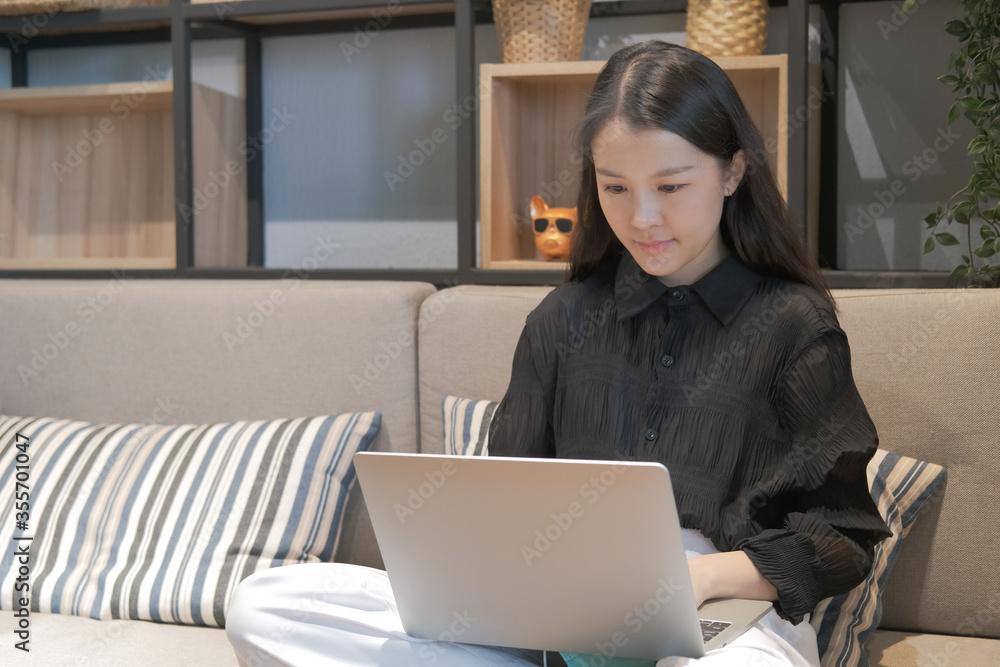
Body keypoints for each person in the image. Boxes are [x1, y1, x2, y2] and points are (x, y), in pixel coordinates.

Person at [225, 41, 890, 667]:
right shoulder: (562, 319)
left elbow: (844, 535)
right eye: (616, 187)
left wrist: (701, 575)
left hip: (721, 616)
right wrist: (492, 586)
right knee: (265, 604)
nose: (643, 218)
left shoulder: (793, 325)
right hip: (555, 619)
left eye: (672, 185)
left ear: (732, 171)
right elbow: (506, 500)